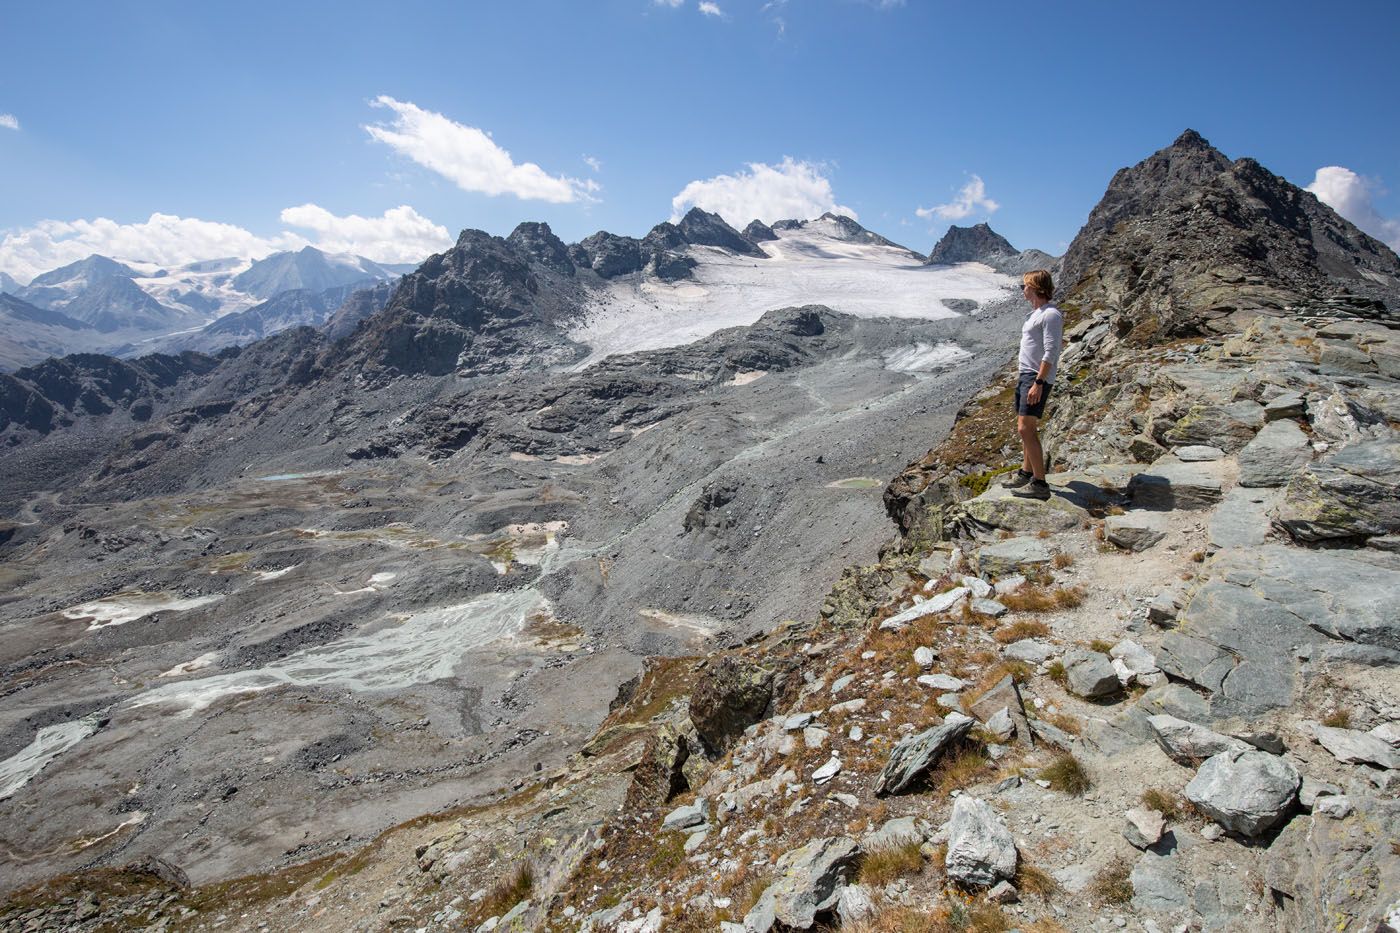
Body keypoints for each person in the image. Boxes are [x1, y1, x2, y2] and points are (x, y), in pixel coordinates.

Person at [1004, 269, 1063, 501]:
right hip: (1026, 374)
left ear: (1037, 287)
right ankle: (1026, 472)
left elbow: (1052, 351)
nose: (1023, 289)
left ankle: (1039, 483)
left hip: (1035, 376)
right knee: (1024, 427)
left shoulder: (1051, 315)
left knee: (1025, 428)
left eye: (1025, 285)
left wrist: (1038, 381)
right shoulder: (1035, 314)